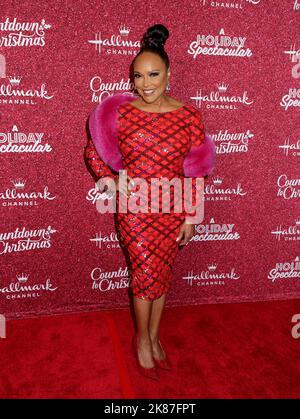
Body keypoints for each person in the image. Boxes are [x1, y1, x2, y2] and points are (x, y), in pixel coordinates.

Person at [85, 24, 216, 381]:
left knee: (162, 275)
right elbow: (94, 153)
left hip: (173, 209)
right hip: (136, 213)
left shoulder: (189, 115)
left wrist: (191, 215)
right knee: (145, 275)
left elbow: (197, 172)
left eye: (153, 74)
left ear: (169, 74)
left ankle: (155, 337)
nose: (144, 83)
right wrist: (112, 182)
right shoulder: (121, 113)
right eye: (137, 76)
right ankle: (142, 340)